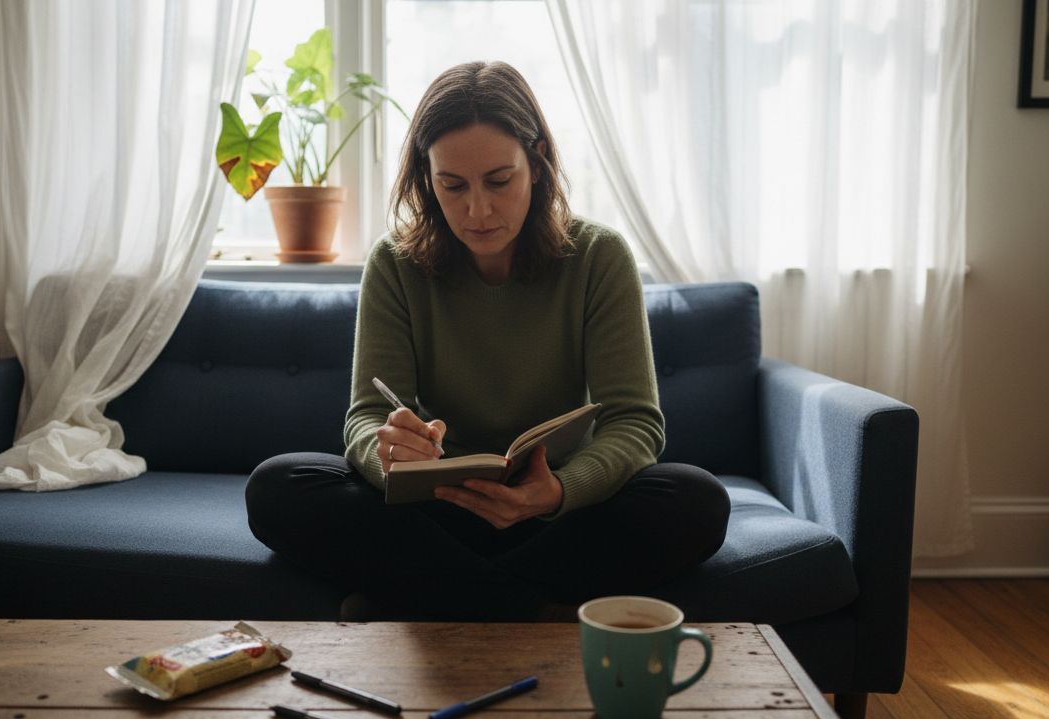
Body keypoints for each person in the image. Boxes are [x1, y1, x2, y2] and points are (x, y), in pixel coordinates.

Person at [246, 61, 730, 621]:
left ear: (539, 161)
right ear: (426, 178)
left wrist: (558, 492)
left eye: (500, 181)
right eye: (452, 185)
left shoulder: (599, 257)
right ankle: (530, 607)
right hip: (434, 511)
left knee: (695, 501)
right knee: (278, 487)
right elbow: (367, 417)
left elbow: (636, 423)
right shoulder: (394, 264)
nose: (477, 210)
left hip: (556, 515)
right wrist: (394, 455)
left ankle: (428, 600)